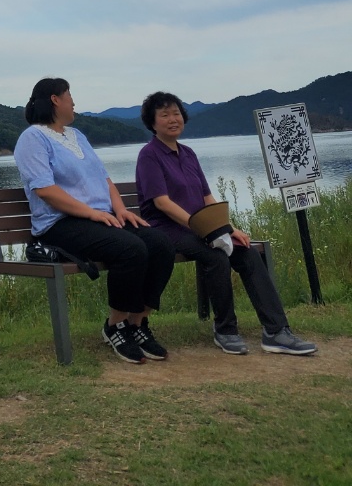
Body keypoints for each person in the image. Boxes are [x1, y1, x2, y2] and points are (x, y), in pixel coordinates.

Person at [136, 91, 317, 356]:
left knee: (246, 251)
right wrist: (202, 229)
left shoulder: (188, 154)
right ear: (152, 123)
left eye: (176, 113)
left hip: (201, 227)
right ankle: (226, 330)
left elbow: (207, 198)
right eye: (165, 115)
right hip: (168, 230)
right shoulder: (149, 155)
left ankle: (277, 331)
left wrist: (228, 229)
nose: (173, 119)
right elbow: (162, 203)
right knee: (215, 255)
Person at [14, 77, 175, 364]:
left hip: (99, 219)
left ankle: (137, 323)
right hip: (60, 224)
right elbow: (45, 190)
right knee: (130, 249)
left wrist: (120, 209)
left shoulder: (77, 136)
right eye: (69, 95)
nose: (73, 102)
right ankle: (115, 325)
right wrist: (90, 213)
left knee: (161, 244)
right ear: (55, 100)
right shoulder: (32, 138)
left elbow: (104, 178)